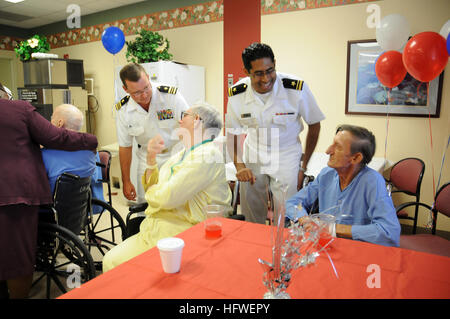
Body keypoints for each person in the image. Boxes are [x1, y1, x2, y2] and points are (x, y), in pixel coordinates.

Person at [103, 104, 231, 272]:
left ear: (197, 121)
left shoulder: (207, 155)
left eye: (184, 115)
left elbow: (167, 197)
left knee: (113, 264)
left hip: (183, 230)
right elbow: (153, 185)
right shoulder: (182, 154)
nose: (179, 120)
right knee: (111, 260)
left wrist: (151, 194)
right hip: (158, 226)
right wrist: (151, 158)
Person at [0, 84, 97, 299]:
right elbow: (55, 137)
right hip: (18, 194)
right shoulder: (18, 109)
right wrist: (90, 139)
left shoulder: (47, 157)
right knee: (16, 257)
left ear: (60, 121)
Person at [225, 42, 325, 224]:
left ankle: (283, 248)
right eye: (258, 73)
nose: (265, 78)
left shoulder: (296, 88)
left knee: (287, 212)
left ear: (275, 64)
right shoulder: (237, 94)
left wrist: (304, 166)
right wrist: (239, 166)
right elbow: (232, 133)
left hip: (286, 153)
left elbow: (314, 124)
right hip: (254, 151)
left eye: (270, 70)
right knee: (252, 210)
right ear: (246, 71)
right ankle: (253, 245)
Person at [285, 124, 401, 247]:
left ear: (356, 158)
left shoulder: (373, 182)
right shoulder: (327, 175)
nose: (328, 150)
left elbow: (389, 232)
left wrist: (332, 229)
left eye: (338, 147)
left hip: (358, 252)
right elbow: (292, 203)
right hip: (326, 247)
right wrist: (305, 220)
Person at [115, 63, 189, 204]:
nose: (144, 95)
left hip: (176, 156)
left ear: (148, 78)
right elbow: (125, 146)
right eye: (136, 92)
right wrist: (126, 180)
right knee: (146, 205)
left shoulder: (169, 95)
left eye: (146, 88)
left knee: (177, 203)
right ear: (125, 89)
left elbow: (190, 126)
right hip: (146, 160)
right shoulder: (123, 110)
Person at [41, 104, 105, 207]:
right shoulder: (90, 150)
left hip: (52, 210)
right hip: (83, 208)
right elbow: (94, 179)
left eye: (52, 118)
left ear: (59, 123)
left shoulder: (45, 154)